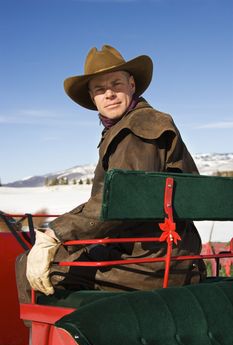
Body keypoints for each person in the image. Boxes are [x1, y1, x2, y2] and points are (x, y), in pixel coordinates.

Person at [16, 45, 204, 302]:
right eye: (100, 89)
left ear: (132, 85)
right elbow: (115, 198)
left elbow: (124, 198)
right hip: (158, 252)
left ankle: (46, 340)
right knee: (68, 252)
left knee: (27, 263)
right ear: (92, 98)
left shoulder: (138, 127)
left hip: (151, 262)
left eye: (116, 84)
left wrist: (55, 233)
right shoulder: (130, 125)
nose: (109, 94)